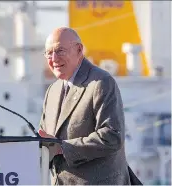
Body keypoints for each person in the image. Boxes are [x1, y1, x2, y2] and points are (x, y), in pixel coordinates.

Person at [38, 27, 131, 185]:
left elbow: (112, 136)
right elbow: (45, 141)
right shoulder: (52, 91)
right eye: (48, 52)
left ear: (79, 50)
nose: (53, 58)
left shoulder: (101, 82)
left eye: (60, 50)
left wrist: (63, 148)